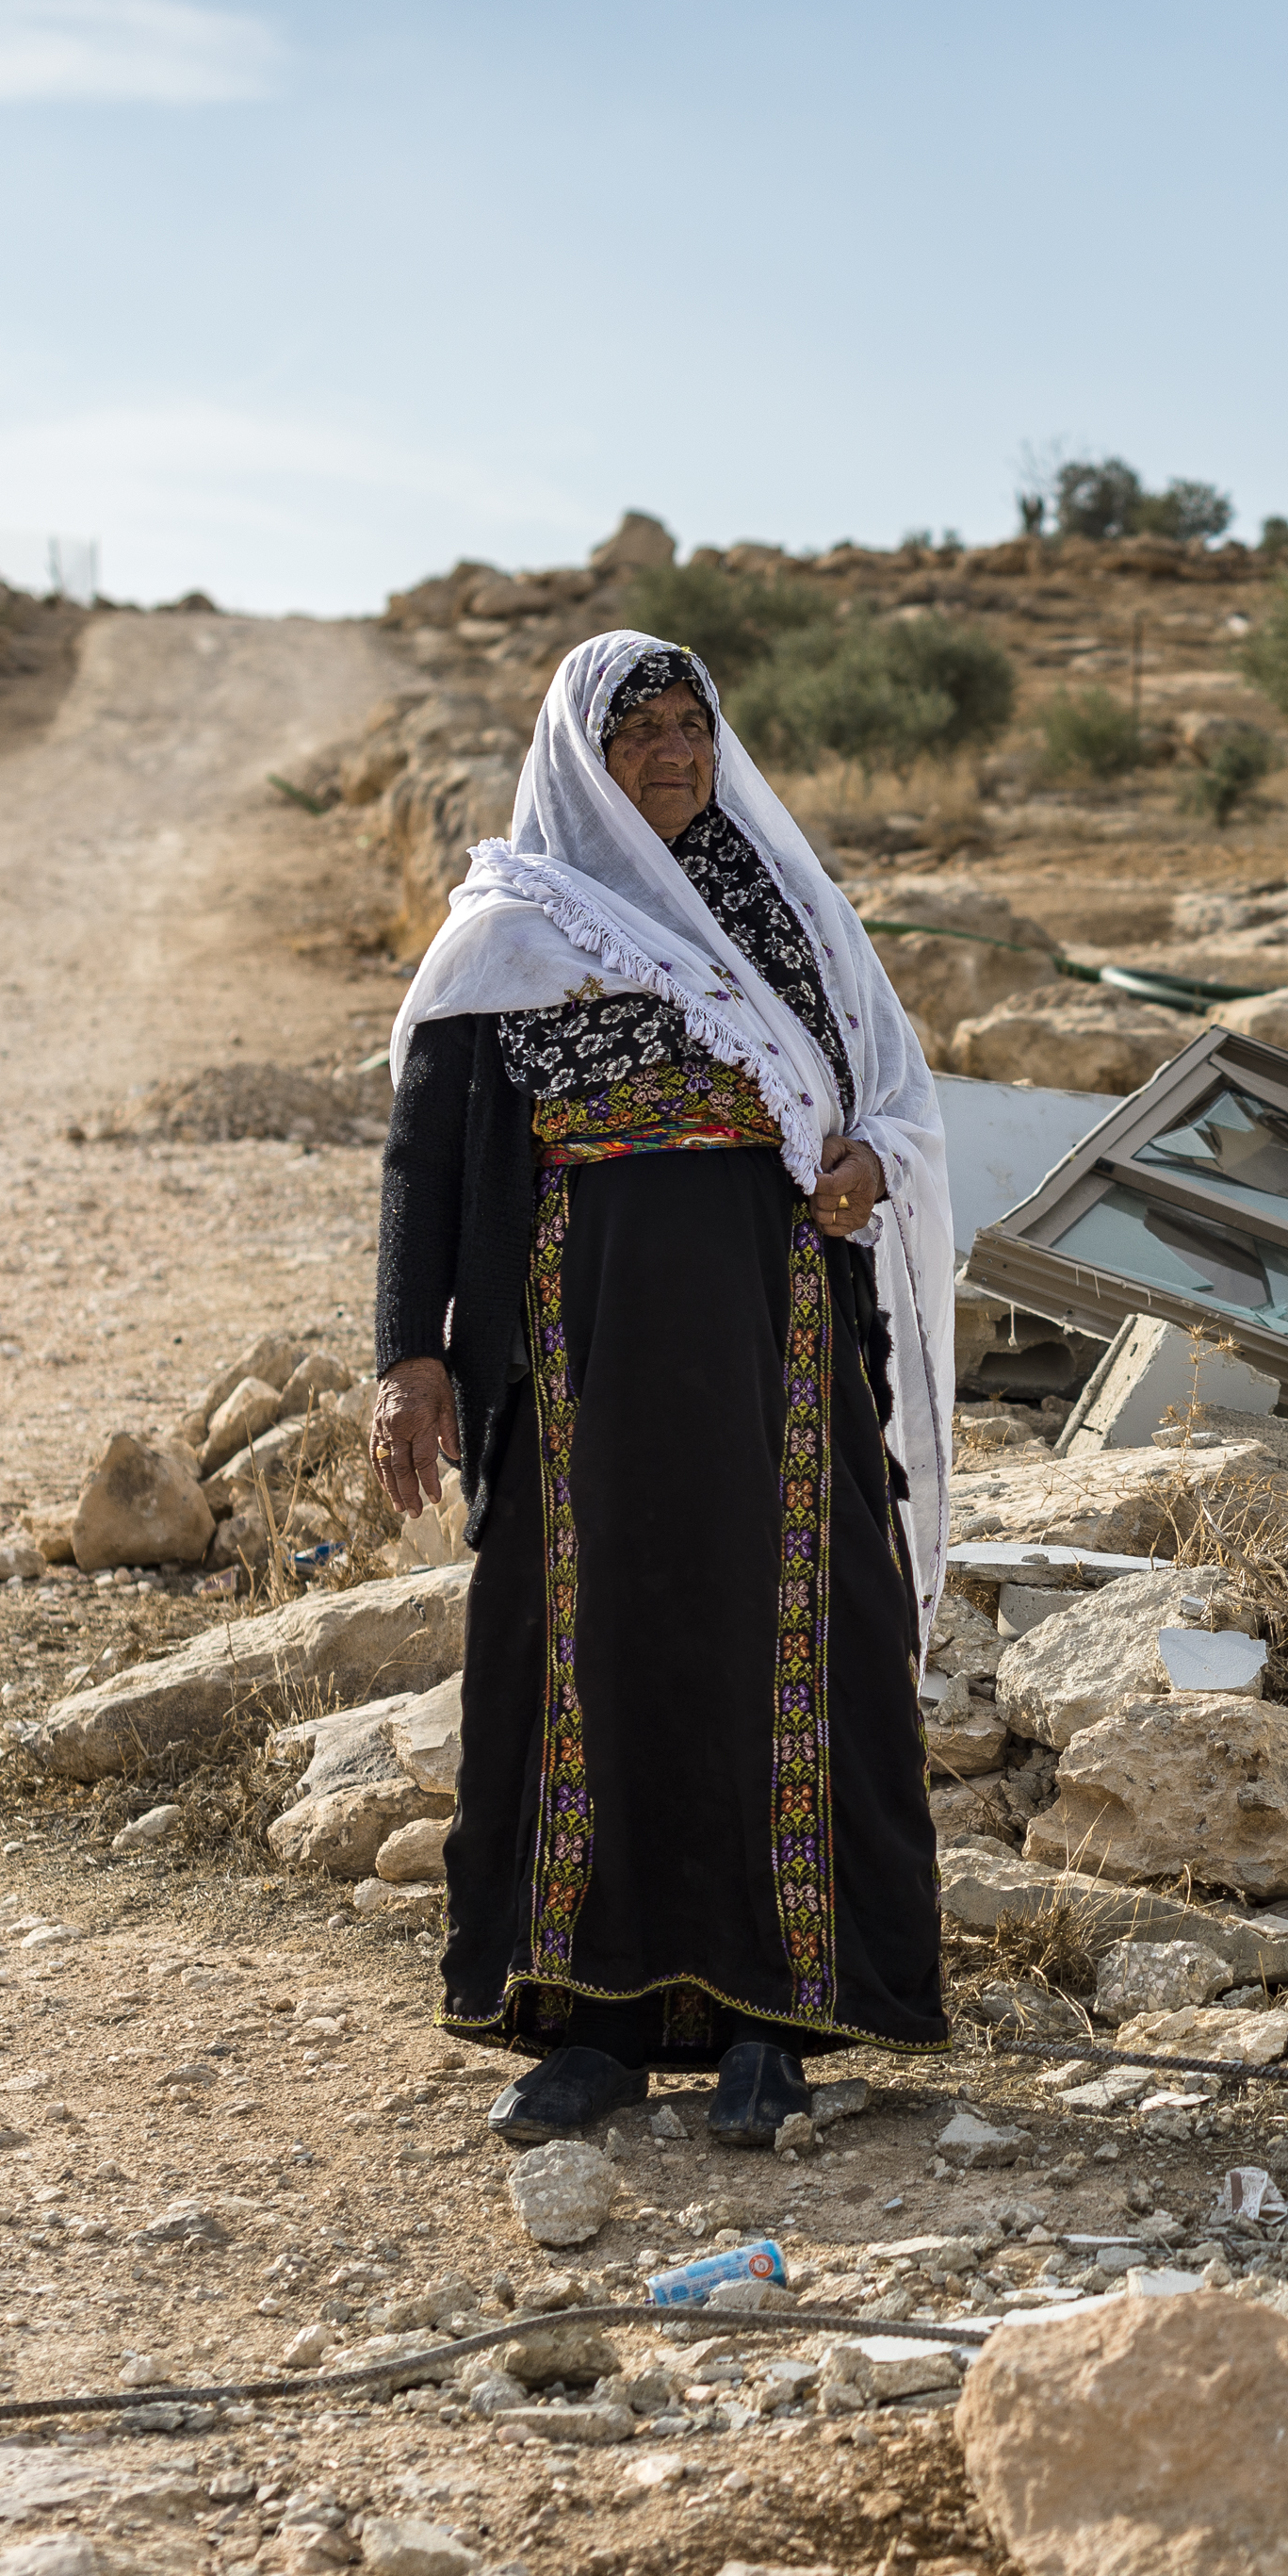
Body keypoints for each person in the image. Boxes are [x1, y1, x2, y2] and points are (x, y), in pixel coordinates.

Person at [369, 630, 958, 2146]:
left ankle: (779, 2022)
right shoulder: (514, 924)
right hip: (576, 1341)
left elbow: (895, 1091)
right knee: (591, 1653)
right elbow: (427, 1157)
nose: (675, 757)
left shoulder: (793, 911)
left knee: (789, 1643)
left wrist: (867, 1161)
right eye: (640, 736)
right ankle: (591, 2027)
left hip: (782, 1337)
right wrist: (412, 1356)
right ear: (584, 756)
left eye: (694, 729)